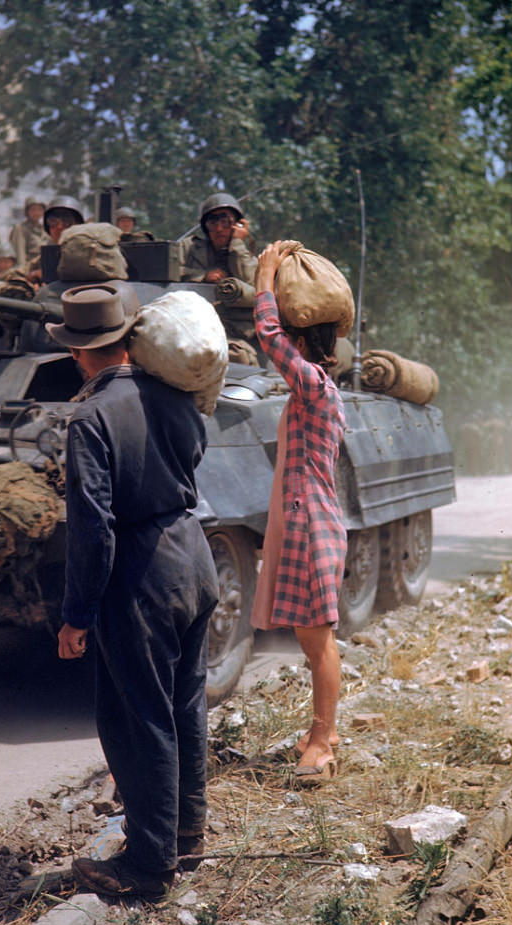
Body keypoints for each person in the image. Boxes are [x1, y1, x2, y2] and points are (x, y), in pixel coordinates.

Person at [46, 283, 219, 899]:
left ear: (78, 353)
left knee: (138, 716)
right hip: (194, 559)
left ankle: (149, 867)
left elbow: (92, 527)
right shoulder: (175, 394)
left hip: (142, 575)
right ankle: (187, 834)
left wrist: (77, 614)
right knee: (185, 703)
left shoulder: (90, 416)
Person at [251, 240, 347, 785]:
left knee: (317, 642)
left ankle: (322, 744)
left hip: (310, 523)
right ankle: (324, 732)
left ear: (301, 339)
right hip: (305, 520)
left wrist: (265, 276)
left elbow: (268, 337)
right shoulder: (319, 388)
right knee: (315, 641)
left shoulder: (311, 385)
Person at [181, 193, 257, 285]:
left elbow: (249, 281)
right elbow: (167, 271)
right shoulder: (189, 248)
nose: (219, 229)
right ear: (206, 227)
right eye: (213, 223)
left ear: (238, 225)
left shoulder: (247, 258)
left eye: (225, 222)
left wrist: (237, 243)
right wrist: (203, 276)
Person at [9, 196, 50, 266]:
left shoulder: (45, 229)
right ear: (27, 212)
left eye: (40, 210)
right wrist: (23, 272)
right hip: (29, 269)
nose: (36, 213)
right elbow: (20, 254)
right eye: (33, 210)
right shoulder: (20, 228)